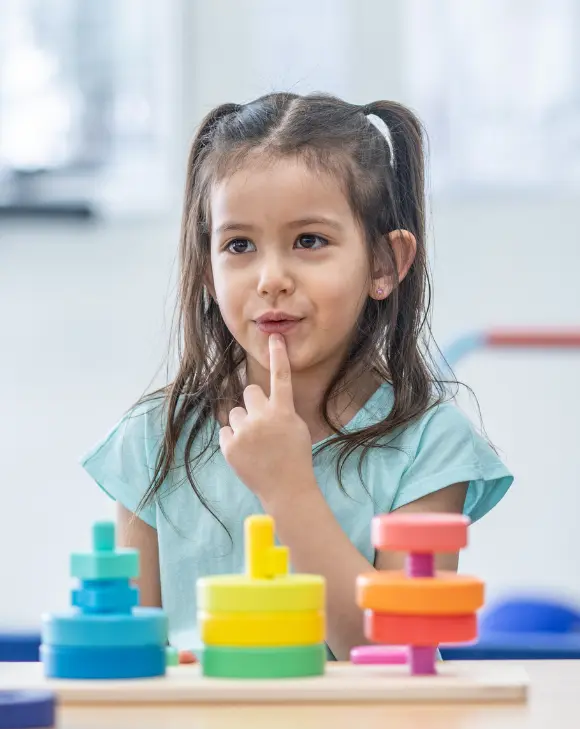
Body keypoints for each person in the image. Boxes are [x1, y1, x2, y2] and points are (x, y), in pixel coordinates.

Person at [81, 93, 513, 661]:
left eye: (309, 241)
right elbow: (127, 655)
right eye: (239, 245)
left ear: (385, 264)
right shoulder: (153, 437)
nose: (271, 278)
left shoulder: (430, 448)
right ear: (207, 271)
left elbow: (399, 653)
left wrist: (287, 488)